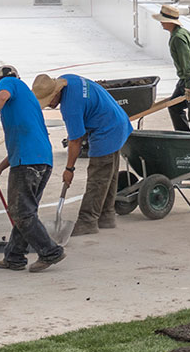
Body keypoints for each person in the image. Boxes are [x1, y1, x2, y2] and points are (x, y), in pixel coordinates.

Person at [0, 65, 65, 272]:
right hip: (41, 161)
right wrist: (0, 168)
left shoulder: (9, 83)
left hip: (28, 163)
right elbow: (25, 142)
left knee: (21, 213)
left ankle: (50, 251)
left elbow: (2, 96)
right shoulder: (28, 99)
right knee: (26, 212)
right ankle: (14, 256)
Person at [31, 73, 133, 236]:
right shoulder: (67, 79)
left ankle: (87, 222)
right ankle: (106, 216)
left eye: (49, 100)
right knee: (109, 174)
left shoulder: (70, 107)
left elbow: (75, 141)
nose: (49, 105)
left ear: (56, 92)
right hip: (117, 119)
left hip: (106, 129)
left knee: (98, 176)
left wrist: (69, 169)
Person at [158, 3, 190, 133]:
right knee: (174, 107)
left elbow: (188, 65)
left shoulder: (178, 38)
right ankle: (185, 136)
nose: (161, 23)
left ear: (170, 22)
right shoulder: (179, 33)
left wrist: (189, 87)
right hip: (187, 78)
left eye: (163, 20)